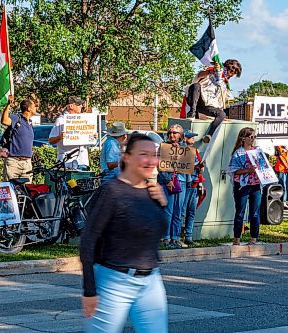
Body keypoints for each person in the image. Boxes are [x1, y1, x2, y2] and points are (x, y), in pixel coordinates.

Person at [80, 134, 168, 333]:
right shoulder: (111, 191)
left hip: (151, 281)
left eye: (154, 155)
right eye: (143, 154)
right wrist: (89, 291)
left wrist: (162, 203)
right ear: (126, 157)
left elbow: (158, 232)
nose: (151, 160)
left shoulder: (152, 191)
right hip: (114, 282)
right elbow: (88, 241)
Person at [185, 59, 242, 142]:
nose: (232, 75)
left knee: (222, 114)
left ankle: (209, 135)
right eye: (232, 72)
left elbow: (220, 101)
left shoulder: (224, 83)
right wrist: (211, 71)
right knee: (196, 85)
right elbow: (200, 75)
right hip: (197, 99)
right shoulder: (212, 72)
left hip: (207, 105)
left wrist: (221, 116)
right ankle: (192, 111)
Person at [227, 127, 261, 245]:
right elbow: (233, 170)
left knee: (255, 212)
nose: (253, 139)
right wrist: (248, 170)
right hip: (242, 185)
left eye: (254, 137)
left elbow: (263, 166)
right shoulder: (238, 153)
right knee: (240, 211)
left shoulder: (257, 151)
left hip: (256, 184)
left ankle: (254, 237)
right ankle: (237, 238)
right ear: (243, 138)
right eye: (250, 137)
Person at [158, 124, 188, 249]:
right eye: (170, 133)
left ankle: (175, 237)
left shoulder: (185, 148)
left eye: (175, 133)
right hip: (167, 181)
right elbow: (160, 165)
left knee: (178, 210)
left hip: (181, 180)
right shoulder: (163, 147)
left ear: (180, 135)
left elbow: (188, 164)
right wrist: (167, 180)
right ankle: (165, 236)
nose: (172, 135)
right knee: (168, 210)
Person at [1, 96, 38, 182]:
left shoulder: (30, 123)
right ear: (29, 109)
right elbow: (4, 121)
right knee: (11, 189)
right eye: (34, 106)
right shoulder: (17, 118)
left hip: (27, 163)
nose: (36, 108)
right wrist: (8, 105)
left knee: (27, 192)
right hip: (14, 162)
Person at [49, 96, 91, 169]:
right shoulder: (61, 120)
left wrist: (93, 136)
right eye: (78, 104)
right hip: (67, 162)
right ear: (71, 106)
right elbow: (51, 140)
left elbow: (89, 140)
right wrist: (60, 137)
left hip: (82, 162)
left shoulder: (84, 120)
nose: (81, 106)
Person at [180, 130, 204, 246]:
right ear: (185, 139)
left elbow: (200, 167)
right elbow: (184, 166)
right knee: (182, 211)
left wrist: (201, 167)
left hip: (195, 184)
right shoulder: (182, 150)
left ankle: (188, 236)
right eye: (191, 138)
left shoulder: (195, 151)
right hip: (186, 184)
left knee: (192, 212)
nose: (193, 140)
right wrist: (196, 166)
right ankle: (177, 236)